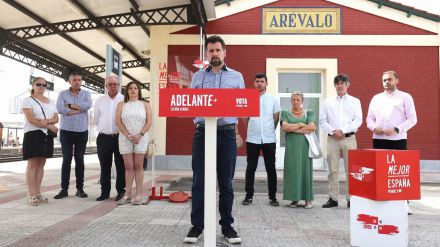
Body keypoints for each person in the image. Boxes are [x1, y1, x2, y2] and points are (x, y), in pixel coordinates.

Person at [184, 35, 244, 244]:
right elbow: (191, 104)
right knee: (199, 181)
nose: (214, 54)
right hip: (202, 133)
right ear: (206, 54)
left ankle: (227, 226)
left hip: (227, 133)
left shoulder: (237, 77)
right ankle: (197, 226)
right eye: (211, 51)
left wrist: (237, 133)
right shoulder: (198, 77)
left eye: (218, 50)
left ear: (224, 52)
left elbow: (241, 105)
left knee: (226, 182)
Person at [366, 70, 417, 214]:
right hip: (379, 140)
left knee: (399, 173)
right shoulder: (376, 98)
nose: (386, 82)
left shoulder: (405, 97)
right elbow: (369, 118)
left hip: (398, 139)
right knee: (380, 171)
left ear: (396, 81)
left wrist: (397, 129)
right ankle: (382, 202)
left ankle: (404, 203)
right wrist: (374, 128)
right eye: (384, 80)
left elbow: (412, 119)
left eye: (389, 79)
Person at [319, 74, 362, 208]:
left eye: (342, 83)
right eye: (337, 83)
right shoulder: (327, 102)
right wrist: (333, 131)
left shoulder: (355, 101)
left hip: (349, 138)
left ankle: (352, 199)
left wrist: (342, 130)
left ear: (347, 85)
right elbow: (322, 120)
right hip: (332, 139)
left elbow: (358, 120)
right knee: (332, 170)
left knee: (352, 170)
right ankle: (333, 198)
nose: (339, 85)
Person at [242, 73, 281, 207]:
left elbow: (276, 118)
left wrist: (269, 130)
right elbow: (245, 118)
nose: (259, 84)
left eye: (262, 81)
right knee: (250, 168)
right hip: (252, 139)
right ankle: (248, 196)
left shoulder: (273, 99)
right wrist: (252, 129)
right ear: (254, 83)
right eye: (257, 81)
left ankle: (272, 197)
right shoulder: (249, 98)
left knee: (271, 168)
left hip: (269, 139)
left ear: (266, 83)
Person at [54, 71, 92, 199]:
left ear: (81, 81)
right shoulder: (62, 94)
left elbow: (87, 105)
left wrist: (69, 106)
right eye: (74, 80)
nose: (77, 82)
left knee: (80, 159)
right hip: (66, 131)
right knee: (66, 160)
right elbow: (60, 109)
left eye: (78, 80)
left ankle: (79, 189)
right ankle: (64, 189)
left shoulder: (86, 94)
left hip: (82, 131)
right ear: (69, 81)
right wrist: (79, 109)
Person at [21, 77, 59, 205]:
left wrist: (47, 122)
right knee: (32, 164)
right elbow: (31, 119)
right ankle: (30, 194)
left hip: (46, 135)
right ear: (33, 85)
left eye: (44, 85)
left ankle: (38, 193)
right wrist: (49, 126)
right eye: (39, 84)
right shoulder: (28, 100)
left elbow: (56, 118)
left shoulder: (51, 101)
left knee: (41, 164)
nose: (41, 87)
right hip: (33, 134)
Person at [115, 81, 152, 205]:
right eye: (130, 88)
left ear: (139, 91)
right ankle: (127, 194)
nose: (133, 90)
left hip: (141, 137)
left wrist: (140, 135)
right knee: (129, 167)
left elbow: (149, 122)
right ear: (127, 91)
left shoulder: (145, 104)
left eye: (136, 88)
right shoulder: (121, 105)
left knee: (138, 166)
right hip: (125, 138)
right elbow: (118, 122)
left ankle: (139, 195)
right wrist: (128, 135)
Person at [280, 91, 316, 209]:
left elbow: (312, 128)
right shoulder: (285, 113)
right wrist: (301, 125)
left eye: (298, 100)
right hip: (291, 148)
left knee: (305, 171)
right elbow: (284, 127)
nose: (296, 102)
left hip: (305, 147)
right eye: (294, 99)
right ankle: (294, 198)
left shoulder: (309, 112)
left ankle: (307, 199)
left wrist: (293, 128)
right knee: (292, 171)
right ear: (291, 100)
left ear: (302, 101)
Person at [94, 75, 125, 201]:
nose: (112, 86)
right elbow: (96, 119)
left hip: (120, 138)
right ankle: (104, 192)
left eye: (115, 84)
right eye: (110, 84)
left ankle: (120, 191)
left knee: (120, 166)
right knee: (104, 166)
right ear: (106, 86)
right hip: (103, 138)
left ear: (119, 85)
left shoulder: (124, 99)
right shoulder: (100, 100)